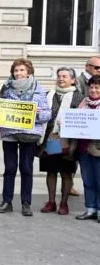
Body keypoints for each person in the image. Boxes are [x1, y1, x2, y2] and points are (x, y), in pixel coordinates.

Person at [0, 58, 52, 217]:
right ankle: (7, 201)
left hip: (29, 134)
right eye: (16, 70)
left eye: (22, 70)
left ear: (29, 72)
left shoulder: (39, 89)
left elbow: (48, 114)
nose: (18, 73)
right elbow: (0, 107)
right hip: (10, 133)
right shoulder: (6, 88)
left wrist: (39, 113)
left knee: (26, 168)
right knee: (9, 168)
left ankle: (26, 203)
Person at [38, 67, 83, 216]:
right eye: (59, 76)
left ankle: (64, 203)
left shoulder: (79, 97)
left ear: (72, 80)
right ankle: (51, 201)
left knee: (66, 172)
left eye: (65, 76)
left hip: (69, 140)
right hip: (51, 138)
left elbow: (82, 119)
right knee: (51, 171)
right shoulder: (48, 94)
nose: (61, 79)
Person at [75, 75, 100, 222]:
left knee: (99, 181)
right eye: (91, 87)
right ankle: (90, 209)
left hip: (97, 149)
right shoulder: (84, 102)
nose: (94, 90)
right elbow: (76, 120)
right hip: (83, 148)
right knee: (88, 181)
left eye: (97, 87)